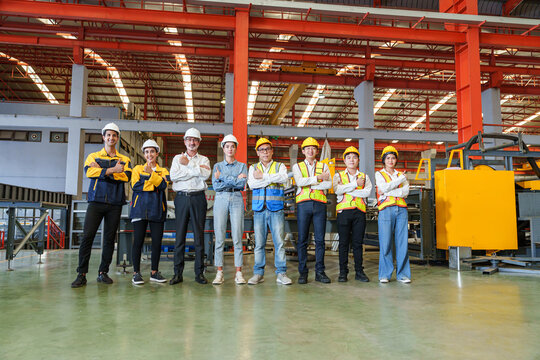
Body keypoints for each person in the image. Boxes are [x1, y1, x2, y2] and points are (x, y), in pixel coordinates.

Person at [71, 122, 132, 288]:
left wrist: (102, 171)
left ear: (117, 138)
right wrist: (113, 170)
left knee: (109, 239)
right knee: (87, 237)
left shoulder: (124, 159)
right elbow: (89, 173)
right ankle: (81, 274)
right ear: (103, 137)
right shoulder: (93, 156)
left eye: (114, 135)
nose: (111, 138)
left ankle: (103, 272)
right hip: (95, 202)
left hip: (115, 203)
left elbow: (126, 176)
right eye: (108, 135)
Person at [247, 138, 292, 285]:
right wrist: (272, 179)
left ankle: (281, 273)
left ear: (272, 151)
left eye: (267, 149)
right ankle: (258, 273)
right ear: (257, 153)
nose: (265, 152)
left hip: (276, 209)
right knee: (259, 243)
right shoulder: (253, 167)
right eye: (261, 150)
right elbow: (252, 184)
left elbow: (284, 178)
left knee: (279, 242)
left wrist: (263, 177)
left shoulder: (280, 166)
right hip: (259, 210)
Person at [169, 128, 211, 285]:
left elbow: (206, 175)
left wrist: (187, 166)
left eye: (195, 140)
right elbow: (174, 176)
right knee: (179, 237)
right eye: (189, 139)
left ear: (199, 142)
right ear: (184, 141)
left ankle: (199, 273)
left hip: (198, 198)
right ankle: (177, 274)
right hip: (181, 198)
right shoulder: (176, 158)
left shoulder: (205, 159)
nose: (192, 142)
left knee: (199, 237)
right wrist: (195, 171)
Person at [129, 139, 170, 285]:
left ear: (157, 153)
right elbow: (135, 185)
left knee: (156, 243)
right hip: (139, 210)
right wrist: (154, 182)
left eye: (152, 151)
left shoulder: (163, 170)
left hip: (157, 210)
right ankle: (136, 273)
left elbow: (164, 185)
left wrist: (150, 176)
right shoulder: (137, 169)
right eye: (147, 151)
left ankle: (154, 272)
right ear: (144, 153)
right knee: (138, 242)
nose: (149, 154)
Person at [292, 137, 332, 284]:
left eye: (313, 148)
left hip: (320, 205)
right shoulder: (297, 167)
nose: (310, 150)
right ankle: (303, 273)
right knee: (302, 239)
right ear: (303, 151)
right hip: (303, 205)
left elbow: (328, 184)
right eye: (307, 148)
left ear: (316, 151)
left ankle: (320, 272)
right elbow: (299, 182)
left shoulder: (324, 166)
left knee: (320, 240)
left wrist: (310, 183)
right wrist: (318, 178)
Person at [211, 134, 248, 285]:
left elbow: (242, 185)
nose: (230, 149)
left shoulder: (242, 166)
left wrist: (224, 178)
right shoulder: (217, 166)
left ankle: (238, 273)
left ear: (236, 148)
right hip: (220, 198)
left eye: (233, 146)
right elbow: (216, 186)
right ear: (223, 148)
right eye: (227, 146)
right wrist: (234, 180)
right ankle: (219, 272)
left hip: (237, 199)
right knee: (219, 236)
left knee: (238, 236)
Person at [333, 146, 372, 283]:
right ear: (344, 160)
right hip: (343, 212)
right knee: (343, 243)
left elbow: (366, 193)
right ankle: (343, 272)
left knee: (357, 244)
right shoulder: (338, 175)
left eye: (354, 157)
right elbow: (337, 190)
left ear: (358, 160)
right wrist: (355, 184)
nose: (351, 160)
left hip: (359, 213)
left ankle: (359, 272)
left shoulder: (365, 177)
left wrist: (347, 190)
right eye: (348, 157)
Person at [375, 145, 411, 284]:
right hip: (386, 209)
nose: (390, 160)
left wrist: (389, 191)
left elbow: (405, 192)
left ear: (396, 160)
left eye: (393, 158)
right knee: (386, 242)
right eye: (388, 158)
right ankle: (385, 274)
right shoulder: (380, 174)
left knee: (402, 243)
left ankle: (403, 274)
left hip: (401, 209)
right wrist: (398, 182)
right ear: (383, 160)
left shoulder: (400, 174)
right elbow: (382, 188)